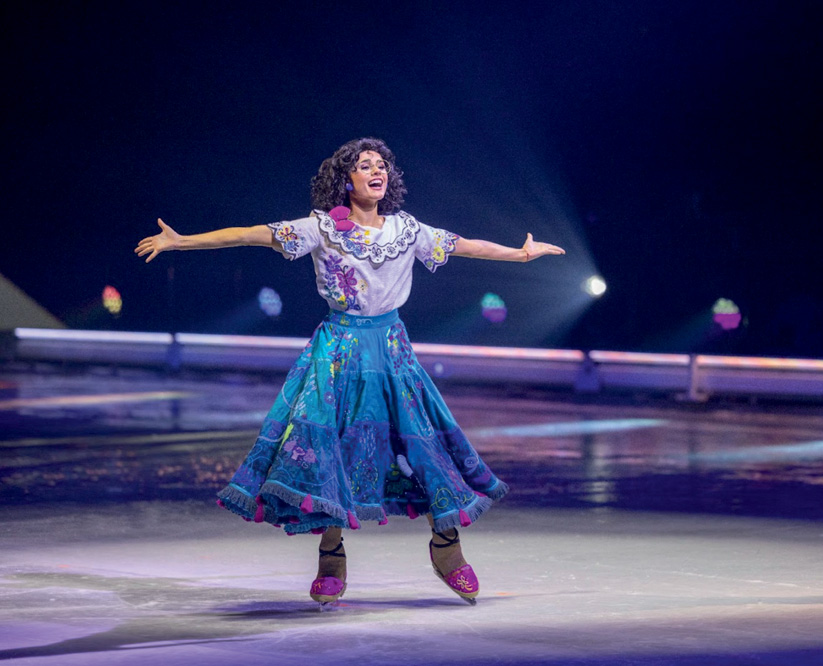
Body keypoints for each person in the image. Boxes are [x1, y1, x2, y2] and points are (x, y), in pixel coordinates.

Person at [135, 137, 565, 607]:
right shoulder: (322, 228)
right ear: (346, 180)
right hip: (337, 350)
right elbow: (251, 233)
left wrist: (520, 254)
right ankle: (331, 553)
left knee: (419, 443)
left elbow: (463, 245)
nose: (377, 171)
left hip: (390, 350)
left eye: (381, 165)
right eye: (365, 165)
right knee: (329, 447)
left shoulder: (406, 228)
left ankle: (447, 546)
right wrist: (182, 241)